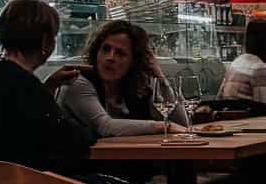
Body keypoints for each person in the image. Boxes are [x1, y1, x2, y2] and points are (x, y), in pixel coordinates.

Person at [0, 0, 91, 171]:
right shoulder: (19, 83)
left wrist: (48, 86)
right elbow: (72, 139)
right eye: (54, 36)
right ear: (46, 41)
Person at [58, 19, 187, 138]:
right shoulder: (78, 81)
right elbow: (104, 126)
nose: (110, 57)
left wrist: (160, 76)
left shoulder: (136, 85)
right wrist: (163, 126)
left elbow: (181, 123)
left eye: (120, 53)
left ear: (133, 61)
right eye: (106, 49)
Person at [219, 17, 266, 110]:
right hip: (250, 122)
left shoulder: (236, 62)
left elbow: (220, 98)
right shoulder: (260, 69)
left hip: (230, 120)